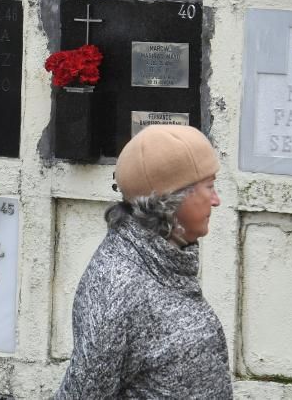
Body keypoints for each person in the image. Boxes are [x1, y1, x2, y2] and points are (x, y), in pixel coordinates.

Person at [55, 125, 232, 399]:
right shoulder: (116, 286)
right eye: (209, 186)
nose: (216, 200)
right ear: (171, 199)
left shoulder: (166, 260)